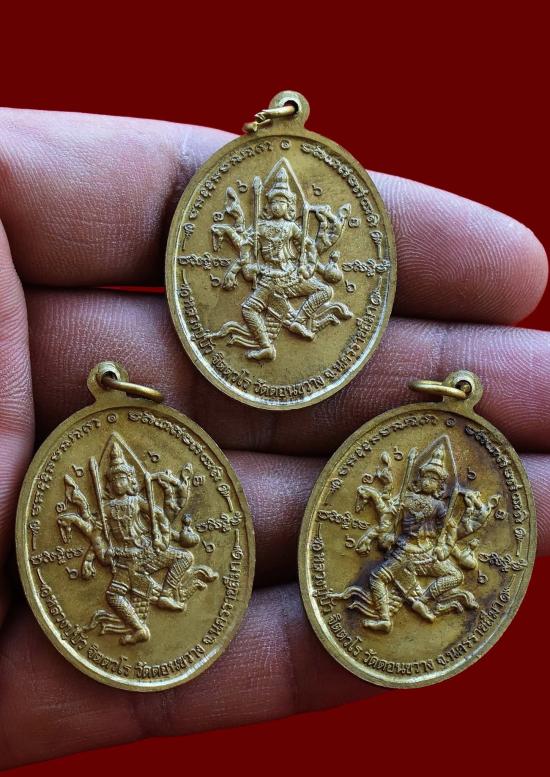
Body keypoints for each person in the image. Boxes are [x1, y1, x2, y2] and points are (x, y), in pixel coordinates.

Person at [0, 110, 547, 770]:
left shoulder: (438, 507)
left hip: (401, 531)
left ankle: (305, 324)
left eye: (289, 205)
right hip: (140, 550)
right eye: (278, 204)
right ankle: (157, 600)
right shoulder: (126, 504)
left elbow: (312, 253)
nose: (283, 210)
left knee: (408, 576)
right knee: (258, 315)